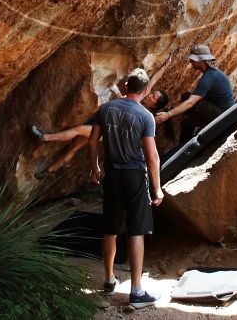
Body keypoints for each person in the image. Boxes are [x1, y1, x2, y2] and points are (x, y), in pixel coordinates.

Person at [88, 68, 163, 309]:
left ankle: (109, 280)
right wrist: (157, 189)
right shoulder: (145, 116)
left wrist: (95, 168)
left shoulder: (107, 109)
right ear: (145, 90)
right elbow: (152, 156)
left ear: (127, 85)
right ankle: (136, 291)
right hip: (134, 176)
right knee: (136, 231)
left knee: (111, 228)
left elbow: (92, 141)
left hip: (112, 174)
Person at [29, 57, 171, 179]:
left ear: (155, 105)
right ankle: (49, 171)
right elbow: (153, 80)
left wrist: (116, 92)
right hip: (102, 123)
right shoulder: (143, 94)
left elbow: (127, 105)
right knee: (73, 148)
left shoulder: (144, 113)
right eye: (153, 93)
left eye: (154, 97)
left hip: (107, 131)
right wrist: (166, 65)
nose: (151, 95)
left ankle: (45, 137)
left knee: (79, 129)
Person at [154, 44, 235, 145]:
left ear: (201, 60)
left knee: (188, 99)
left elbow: (190, 103)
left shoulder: (208, 78)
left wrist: (168, 114)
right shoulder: (212, 73)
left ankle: (199, 130)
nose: (190, 61)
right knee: (187, 119)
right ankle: (184, 145)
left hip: (223, 115)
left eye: (193, 59)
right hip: (222, 113)